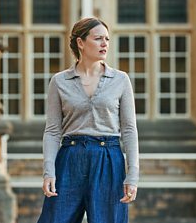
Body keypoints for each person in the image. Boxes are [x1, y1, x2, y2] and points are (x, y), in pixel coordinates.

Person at [37, 17, 139, 223]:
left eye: (107, 39)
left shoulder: (120, 80)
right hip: (70, 159)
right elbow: (53, 131)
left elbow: (129, 129)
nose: (105, 44)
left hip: (108, 158)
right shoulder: (59, 81)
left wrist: (133, 174)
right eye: (98, 38)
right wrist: (49, 171)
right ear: (80, 43)